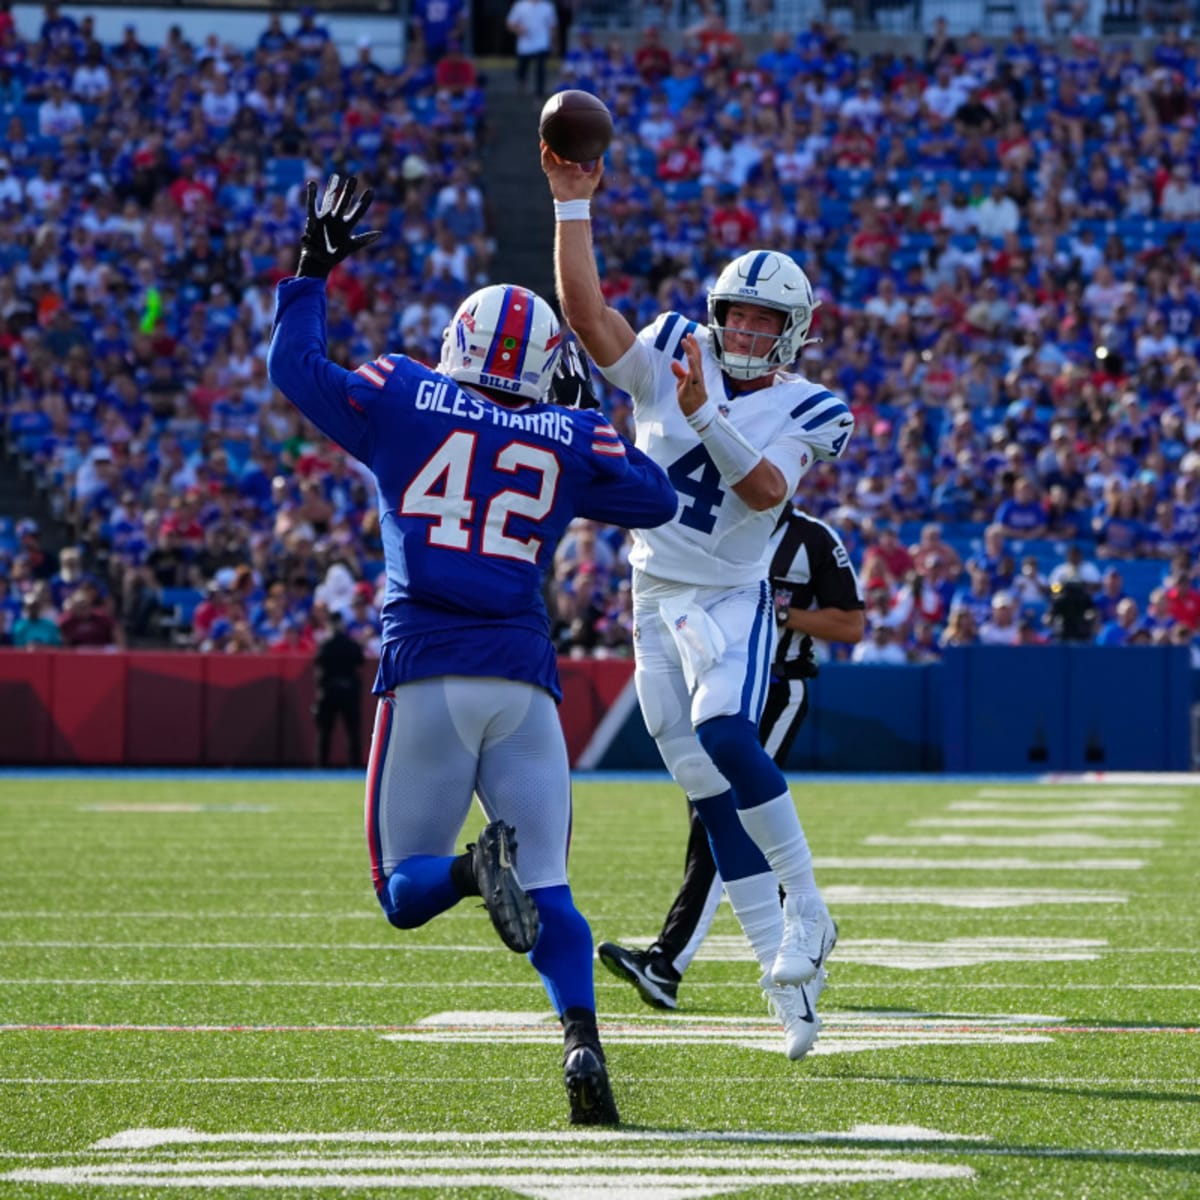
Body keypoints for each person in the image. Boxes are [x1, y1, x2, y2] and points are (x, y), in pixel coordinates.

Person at [267, 175, 677, 1125]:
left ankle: (466, 870)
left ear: (457, 346)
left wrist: (310, 272)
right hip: (525, 685)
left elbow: (295, 372)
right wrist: (578, 418)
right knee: (554, 891)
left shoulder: (406, 393)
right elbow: (655, 499)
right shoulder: (571, 433)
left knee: (406, 892)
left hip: (429, 670)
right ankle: (581, 1045)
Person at [544, 148, 856, 1059]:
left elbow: (764, 492)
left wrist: (705, 412)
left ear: (796, 329)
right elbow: (588, 317)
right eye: (738, 315)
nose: (747, 331)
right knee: (704, 786)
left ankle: (811, 910)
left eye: (767, 320)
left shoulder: (813, 407)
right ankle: (782, 982)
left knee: (727, 736)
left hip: (729, 595)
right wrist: (572, 205)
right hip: (652, 591)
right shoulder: (676, 347)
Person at [597, 508, 864, 1010]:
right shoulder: (716, 520)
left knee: (721, 817)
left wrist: (779, 613)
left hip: (778, 686)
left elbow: (851, 624)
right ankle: (798, 935)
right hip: (713, 684)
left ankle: (668, 961)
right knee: (717, 815)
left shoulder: (812, 539)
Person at [314, 610, 365, 768]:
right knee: (352, 731)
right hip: (348, 690)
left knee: (325, 732)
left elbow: (319, 664)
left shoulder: (326, 645)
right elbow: (360, 661)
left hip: (330, 692)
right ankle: (354, 765)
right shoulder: (351, 644)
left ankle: (322, 765)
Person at [506, 0, 557, 98]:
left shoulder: (547, 7)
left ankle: (539, 95)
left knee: (540, 70)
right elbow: (510, 23)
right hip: (525, 45)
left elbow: (552, 26)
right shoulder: (519, 6)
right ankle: (522, 83)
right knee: (521, 70)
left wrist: (553, 43)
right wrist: (518, 29)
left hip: (542, 44)